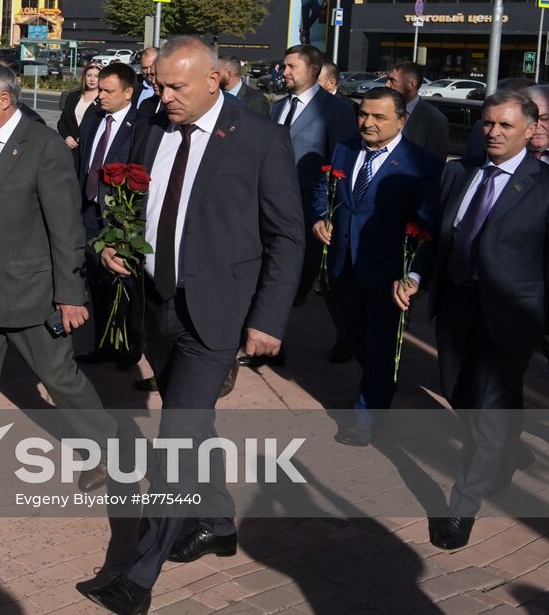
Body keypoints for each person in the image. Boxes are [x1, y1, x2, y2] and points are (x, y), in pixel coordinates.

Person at [84, 37, 302, 614]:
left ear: (215, 81)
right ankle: (217, 523)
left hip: (217, 316)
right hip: (158, 307)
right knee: (194, 424)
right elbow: (129, 196)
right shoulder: (154, 124)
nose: (166, 95)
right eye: (160, 84)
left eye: (178, 86)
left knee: (176, 442)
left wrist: (267, 319)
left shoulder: (260, 139)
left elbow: (287, 238)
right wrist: (112, 243)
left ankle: (138, 574)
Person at [0, 61, 114, 493]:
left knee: (59, 378)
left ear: (4, 100)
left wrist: (70, 295)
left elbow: (65, 227)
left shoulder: (45, 147)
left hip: (32, 292)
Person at [399, 90, 549, 551]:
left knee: (485, 410)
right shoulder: (457, 174)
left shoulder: (543, 185)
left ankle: (462, 507)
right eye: (487, 124)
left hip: (511, 313)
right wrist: (416, 273)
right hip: (456, 308)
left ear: (530, 129)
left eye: (505, 125)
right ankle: (503, 451)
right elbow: (439, 238)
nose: (494, 133)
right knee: (460, 395)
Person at [312, 86, 438, 446]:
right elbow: (325, 191)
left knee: (381, 345)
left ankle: (367, 414)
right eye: (363, 114)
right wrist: (321, 217)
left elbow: (427, 226)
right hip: (344, 266)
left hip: (388, 273)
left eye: (379, 116)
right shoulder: (344, 149)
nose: (368, 123)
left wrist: (412, 274)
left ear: (402, 119)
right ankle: (378, 386)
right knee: (355, 336)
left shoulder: (421, 164)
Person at [258, 43, 357, 366]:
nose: (283, 72)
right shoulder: (279, 107)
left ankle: (348, 337)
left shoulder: (336, 110)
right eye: (283, 67)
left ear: (313, 71)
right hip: (276, 206)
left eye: (291, 67)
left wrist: (328, 213)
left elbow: (340, 162)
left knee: (328, 281)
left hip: (313, 211)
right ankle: (273, 343)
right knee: (276, 274)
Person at [75, 63, 140, 361]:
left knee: (123, 283)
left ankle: (128, 345)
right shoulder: (93, 118)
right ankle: (103, 343)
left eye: (107, 91)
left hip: (119, 215)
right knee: (96, 281)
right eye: (99, 88)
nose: (100, 95)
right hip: (89, 210)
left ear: (128, 92)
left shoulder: (140, 126)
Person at [387, 61, 451, 161]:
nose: (387, 85)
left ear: (411, 85)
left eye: (392, 80)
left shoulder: (435, 120)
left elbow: (435, 164)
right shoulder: (384, 110)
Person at [58, 62, 102, 166]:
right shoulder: (72, 97)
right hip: (71, 151)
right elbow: (62, 122)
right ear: (84, 77)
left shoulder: (103, 100)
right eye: (89, 75)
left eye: (96, 76)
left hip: (90, 152)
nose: (92, 79)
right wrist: (66, 136)